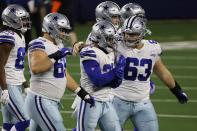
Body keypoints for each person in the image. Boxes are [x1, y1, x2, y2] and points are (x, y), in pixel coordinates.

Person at [112, 15, 188, 131]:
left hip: (143, 103)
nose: (128, 37)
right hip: (118, 100)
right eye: (126, 33)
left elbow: (161, 71)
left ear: (142, 33)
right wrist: (79, 45)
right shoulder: (116, 44)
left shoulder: (152, 47)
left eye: (132, 34)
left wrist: (177, 90)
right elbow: (94, 45)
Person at [24, 12, 95, 131]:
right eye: (62, 29)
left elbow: (62, 74)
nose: (64, 33)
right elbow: (36, 67)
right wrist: (59, 54)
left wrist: (81, 92)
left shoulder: (59, 45)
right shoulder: (38, 43)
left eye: (66, 30)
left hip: (49, 102)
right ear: (51, 27)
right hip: (40, 100)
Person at [77, 20, 124, 131]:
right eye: (109, 38)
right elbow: (97, 80)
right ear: (99, 38)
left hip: (106, 100)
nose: (113, 41)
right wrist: (116, 71)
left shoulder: (112, 53)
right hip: (91, 100)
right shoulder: (89, 52)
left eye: (113, 38)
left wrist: (119, 76)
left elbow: (115, 84)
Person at [0, 4, 31, 131]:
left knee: (9, 123)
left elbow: (15, 65)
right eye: (22, 19)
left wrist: (25, 85)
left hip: (15, 83)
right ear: (11, 20)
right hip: (8, 84)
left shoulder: (20, 36)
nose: (25, 22)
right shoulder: (7, 36)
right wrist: (5, 89)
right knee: (25, 120)